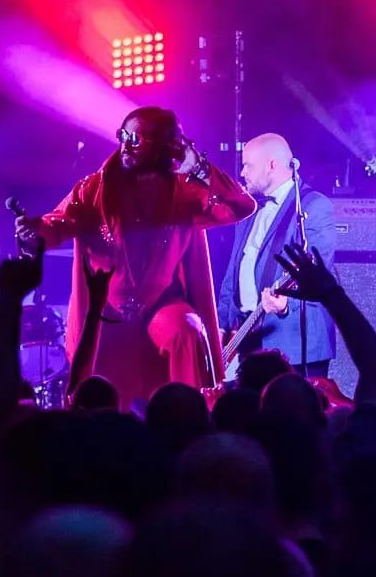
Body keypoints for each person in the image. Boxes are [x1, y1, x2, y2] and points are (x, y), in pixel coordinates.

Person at [15, 106, 255, 408]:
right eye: (122, 135)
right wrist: (33, 233)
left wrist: (199, 167)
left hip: (161, 304)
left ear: (165, 145)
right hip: (106, 312)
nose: (125, 145)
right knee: (92, 372)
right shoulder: (94, 189)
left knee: (188, 331)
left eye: (135, 138)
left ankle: (191, 417)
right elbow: (58, 222)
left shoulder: (185, 192)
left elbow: (240, 206)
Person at [217, 133, 336, 377]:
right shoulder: (250, 208)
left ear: (271, 165)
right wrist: (221, 325)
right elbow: (234, 272)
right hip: (247, 337)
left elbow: (319, 272)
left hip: (293, 343)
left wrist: (286, 305)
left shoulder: (313, 207)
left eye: (248, 165)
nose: (242, 173)